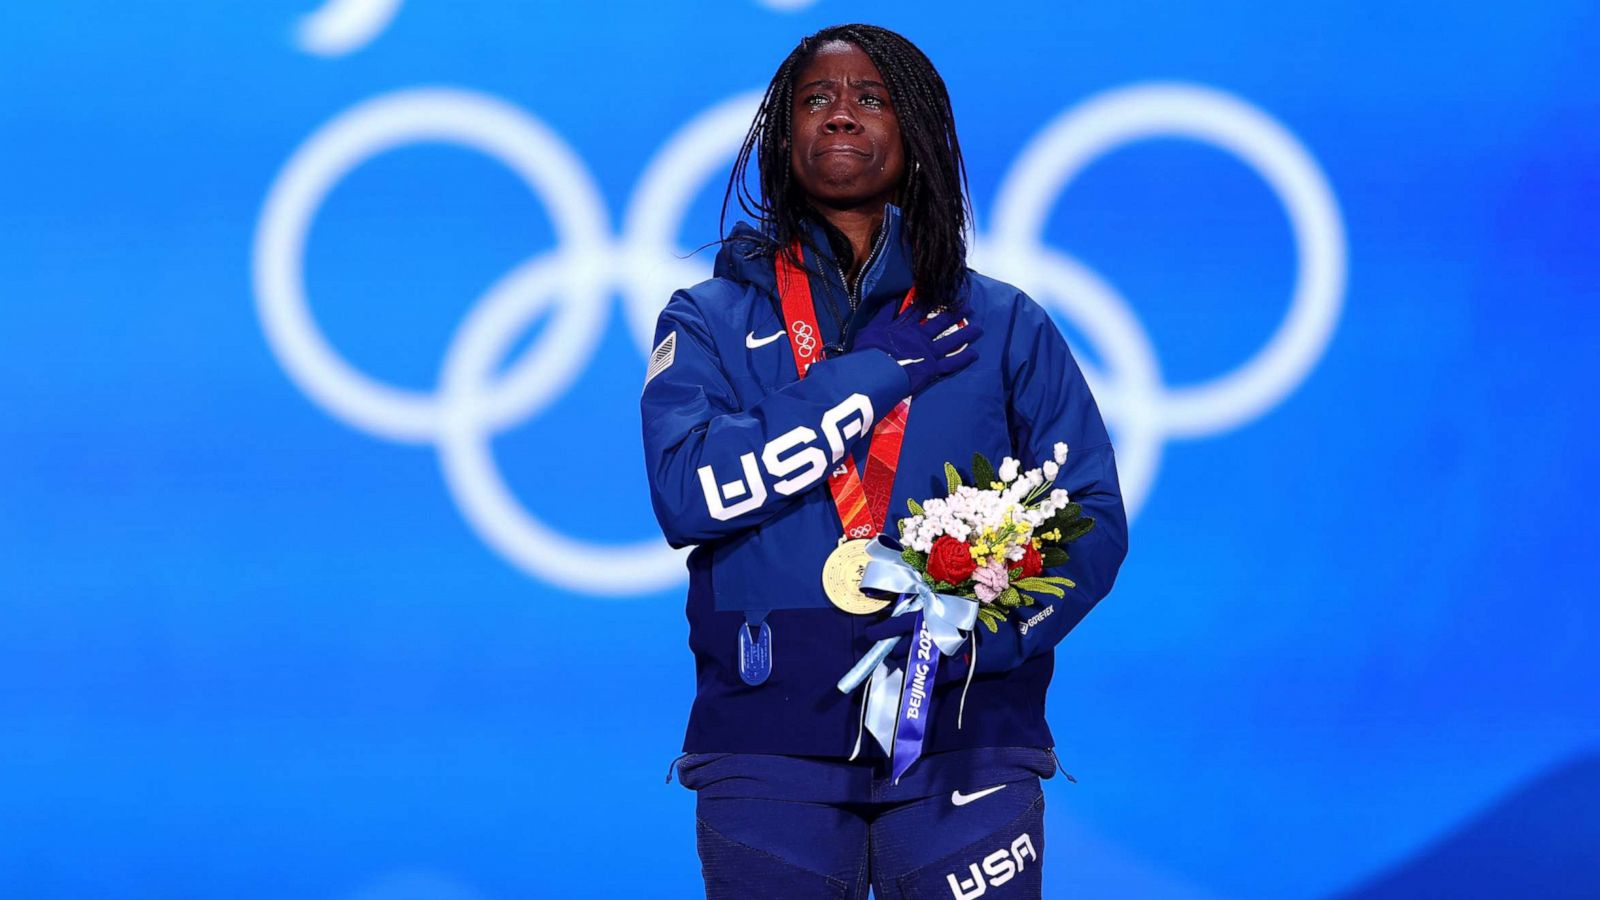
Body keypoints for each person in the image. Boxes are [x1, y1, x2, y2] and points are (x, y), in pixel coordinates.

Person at [640, 23, 1128, 900]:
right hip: (767, 746)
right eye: (815, 100)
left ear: (919, 136)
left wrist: (982, 637)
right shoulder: (707, 319)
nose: (839, 116)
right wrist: (875, 374)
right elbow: (688, 493)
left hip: (966, 740)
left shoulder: (1004, 325)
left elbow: (1087, 512)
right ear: (782, 139)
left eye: (871, 99)